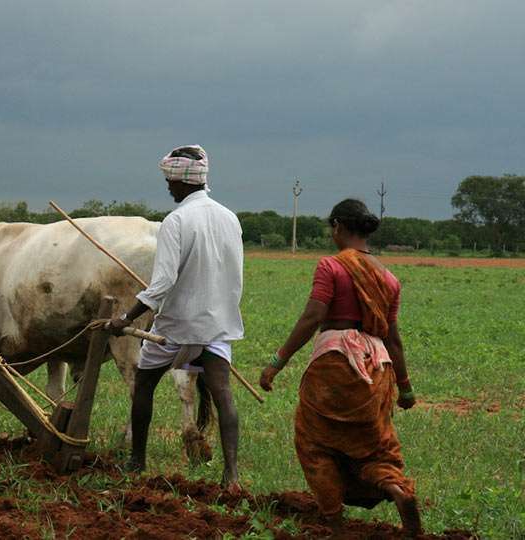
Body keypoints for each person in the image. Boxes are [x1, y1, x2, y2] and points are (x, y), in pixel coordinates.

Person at [259, 199, 421, 537]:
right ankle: (396, 489)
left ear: (338, 227)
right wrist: (405, 387)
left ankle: (334, 523)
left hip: (335, 367)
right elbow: (394, 338)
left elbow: (313, 316)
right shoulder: (389, 279)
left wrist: (277, 362)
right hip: (377, 370)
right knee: (374, 445)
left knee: (315, 443)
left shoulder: (331, 266)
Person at [107, 145, 245, 489]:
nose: (168, 186)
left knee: (144, 385)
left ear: (183, 182)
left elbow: (163, 282)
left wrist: (126, 318)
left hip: (177, 326)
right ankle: (232, 474)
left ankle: (137, 461)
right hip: (217, 325)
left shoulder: (176, 221)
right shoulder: (230, 217)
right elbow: (236, 275)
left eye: (170, 180)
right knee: (223, 393)